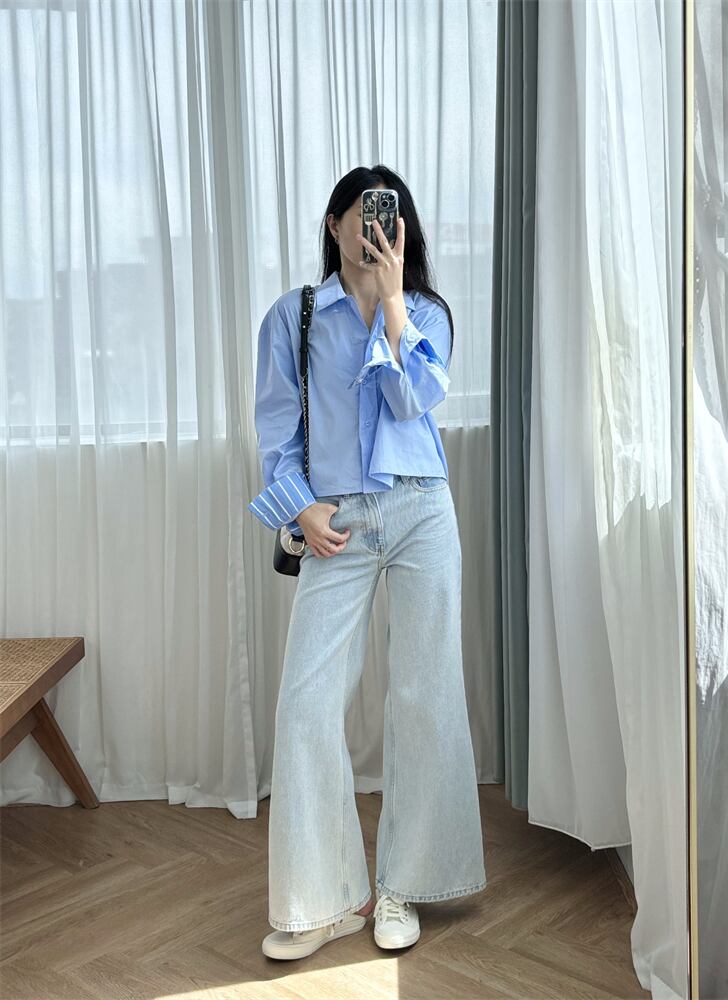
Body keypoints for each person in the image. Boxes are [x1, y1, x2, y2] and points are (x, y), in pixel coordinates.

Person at [248, 165, 486, 961]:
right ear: (334, 224)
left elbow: (414, 401)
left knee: (424, 695)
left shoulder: (426, 313)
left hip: (421, 511)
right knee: (306, 703)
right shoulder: (294, 316)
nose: (374, 229)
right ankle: (329, 898)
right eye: (362, 214)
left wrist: (391, 306)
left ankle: (401, 887)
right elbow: (276, 429)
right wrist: (300, 507)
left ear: (402, 229)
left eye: (388, 217)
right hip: (338, 522)